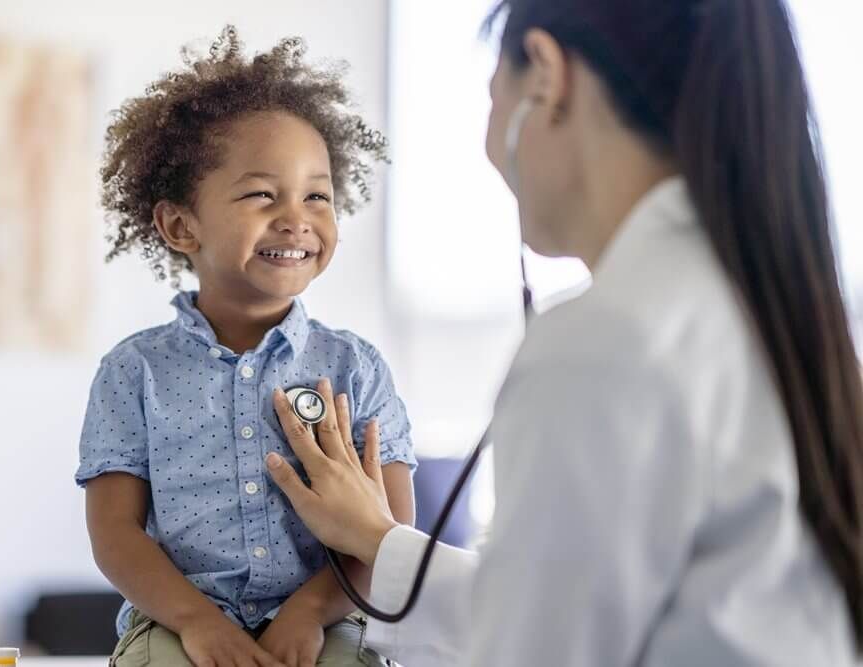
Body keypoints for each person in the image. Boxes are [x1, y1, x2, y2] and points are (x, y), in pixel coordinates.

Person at [264, 0, 863, 664]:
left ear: (546, 77)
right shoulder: (751, 300)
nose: (492, 149)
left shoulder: (605, 342)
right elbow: (593, 604)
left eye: (493, 100)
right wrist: (382, 540)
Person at [75, 27, 416, 667]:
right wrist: (198, 623)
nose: (296, 217)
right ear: (181, 225)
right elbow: (115, 533)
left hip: (328, 618)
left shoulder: (357, 368)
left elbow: (391, 534)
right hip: (180, 623)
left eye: (317, 194)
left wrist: (311, 613)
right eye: (263, 194)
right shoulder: (133, 371)